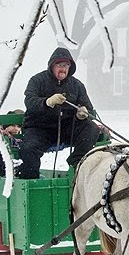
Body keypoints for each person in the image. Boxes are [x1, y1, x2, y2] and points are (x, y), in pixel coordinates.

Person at [18, 47, 100, 179]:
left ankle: (76, 162)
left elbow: (89, 109)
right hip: (40, 128)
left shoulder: (77, 85)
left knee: (92, 128)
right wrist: (47, 102)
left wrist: (82, 113)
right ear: (52, 65)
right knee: (28, 149)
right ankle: (31, 180)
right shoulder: (37, 80)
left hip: (67, 129)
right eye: (60, 65)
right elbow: (30, 102)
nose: (63, 69)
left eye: (66, 65)